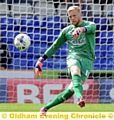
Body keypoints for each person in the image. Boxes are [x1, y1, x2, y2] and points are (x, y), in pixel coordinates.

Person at [34, 6, 96, 116]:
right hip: (73, 57)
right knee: (75, 71)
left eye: (74, 16)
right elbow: (55, 46)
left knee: (71, 90)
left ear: (80, 15)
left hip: (87, 60)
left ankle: (45, 108)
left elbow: (90, 28)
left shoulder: (89, 25)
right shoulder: (67, 31)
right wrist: (41, 59)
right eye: (70, 17)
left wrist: (81, 30)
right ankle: (80, 98)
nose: (72, 18)